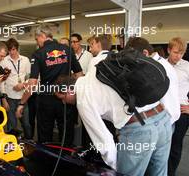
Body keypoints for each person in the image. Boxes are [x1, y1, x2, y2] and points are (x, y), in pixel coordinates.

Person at [55, 47, 174, 175]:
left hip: (140, 130)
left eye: (62, 98)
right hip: (163, 119)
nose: (63, 102)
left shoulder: (83, 99)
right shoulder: (96, 68)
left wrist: (117, 169)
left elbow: (105, 143)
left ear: (68, 90)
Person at [15, 25, 83, 146]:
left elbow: (32, 83)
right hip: (66, 99)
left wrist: (21, 103)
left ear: (42, 36)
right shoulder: (67, 50)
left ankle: (46, 161)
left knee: (45, 135)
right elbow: (80, 75)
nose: (37, 42)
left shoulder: (38, 54)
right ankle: (66, 160)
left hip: (46, 100)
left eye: (37, 39)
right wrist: (76, 95)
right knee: (66, 134)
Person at [0, 38, 32, 139]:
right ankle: (12, 146)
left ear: (17, 49)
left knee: (26, 124)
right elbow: (1, 81)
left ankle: (29, 143)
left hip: (23, 97)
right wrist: (4, 99)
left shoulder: (25, 60)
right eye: (9, 50)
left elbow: (29, 77)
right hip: (10, 97)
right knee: (11, 125)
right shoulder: (4, 61)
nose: (11, 52)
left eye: (13, 49)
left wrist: (23, 84)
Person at [167, 37, 189, 176]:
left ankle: (170, 173)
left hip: (182, 111)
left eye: (181, 53)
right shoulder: (161, 64)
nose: (178, 56)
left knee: (175, 146)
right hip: (165, 110)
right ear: (169, 50)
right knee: (162, 145)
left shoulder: (187, 66)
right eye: (175, 52)